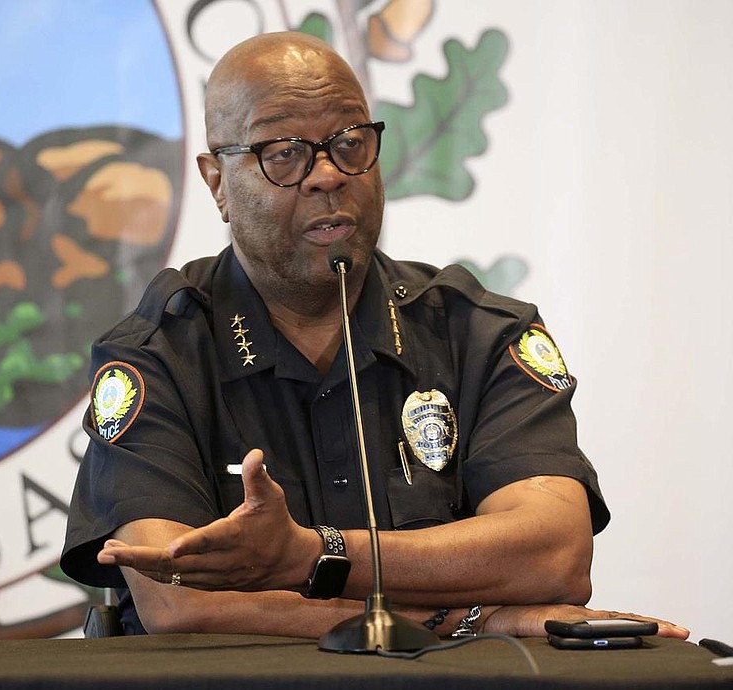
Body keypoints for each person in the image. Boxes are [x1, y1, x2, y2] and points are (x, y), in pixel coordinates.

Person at [60, 31, 688, 640]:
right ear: (217, 181)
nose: (327, 174)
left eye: (350, 141)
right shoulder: (159, 352)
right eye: (283, 152)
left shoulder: (480, 334)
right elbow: (177, 598)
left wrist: (311, 557)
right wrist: (475, 621)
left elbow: (554, 556)